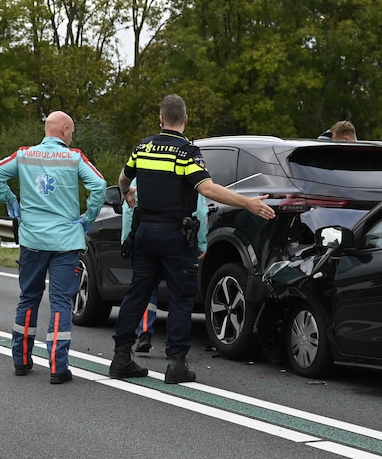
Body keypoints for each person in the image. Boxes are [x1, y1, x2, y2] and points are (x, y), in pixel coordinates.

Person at [109, 95, 275, 384]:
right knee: (181, 298)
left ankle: (121, 358)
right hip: (175, 236)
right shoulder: (187, 153)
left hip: (145, 233)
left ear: (160, 119)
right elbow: (207, 189)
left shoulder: (142, 148)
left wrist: (127, 195)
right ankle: (176, 365)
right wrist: (248, 203)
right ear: (185, 120)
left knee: (136, 294)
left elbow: (124, 178)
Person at [0, 111, 106, 385]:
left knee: (28, 298)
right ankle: (57, 367)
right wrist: (87, 218)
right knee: (61, 302)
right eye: (72, 130)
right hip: (65, 242)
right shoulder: (75, 157)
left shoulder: (24, 155)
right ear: (64, 129)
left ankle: (21, 360)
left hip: (32, 240)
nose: (72, 135)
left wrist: (10, 201)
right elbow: (98, 185)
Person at [120, 182, 209, 354]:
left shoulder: (143, 169)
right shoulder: (187, 168)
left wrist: (127, 240)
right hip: (178, 241)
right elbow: (200, 211)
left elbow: (129, 209)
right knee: (179, 296)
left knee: (144, 290)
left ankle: (139, 337)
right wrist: (201, 242)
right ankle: (176, 353)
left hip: (146, 238)